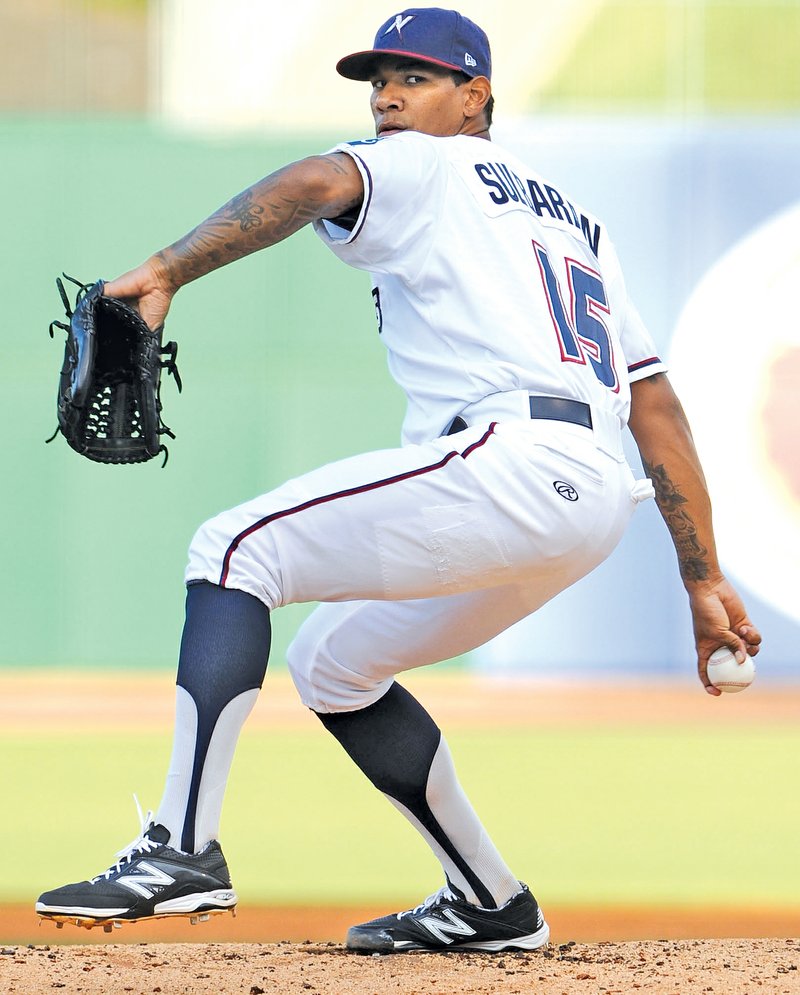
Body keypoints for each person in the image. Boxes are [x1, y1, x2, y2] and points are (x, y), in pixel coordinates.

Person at [36, 8, 761, 954]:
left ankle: (180, 849)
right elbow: (653, 406)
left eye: (417, 77)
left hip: (506, 459)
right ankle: (490, 900)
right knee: (333, 666)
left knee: (232, 549)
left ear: (476, 98)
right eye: (379, 77)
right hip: (586, 497)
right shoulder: (574, 221)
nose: (387, 94)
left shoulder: (427, 162)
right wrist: (700, 578)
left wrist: (171, 266)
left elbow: (315, 179)